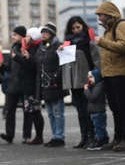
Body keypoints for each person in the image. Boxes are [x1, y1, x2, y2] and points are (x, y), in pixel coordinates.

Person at [95, 1, 125, 152]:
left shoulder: (122, 25)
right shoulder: (108, 29)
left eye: (101, 14)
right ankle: (118, 138)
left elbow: (124, 46)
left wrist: (102, 42)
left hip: (121, 73)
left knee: (124, 107)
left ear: (109, 14)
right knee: (115, 108)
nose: (99, 18)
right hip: (109, 74)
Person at [60, 16, 95, 148]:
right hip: (73, 78)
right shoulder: (67, 41)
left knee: (88, 109)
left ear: (83, 26)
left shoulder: (88, 39)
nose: (75, 30)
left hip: (86, 77)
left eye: (78, 27)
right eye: (73, 28)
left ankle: (92, 136)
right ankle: (84, 137)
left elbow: (93, 57)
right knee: (80, 110)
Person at [38, 22, 68, 147]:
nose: (43, 34)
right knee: (50, 113)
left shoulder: (58, 45)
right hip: (45, 84)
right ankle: (55, 135)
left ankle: (59, 137)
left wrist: (56, 77)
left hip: (56, 83)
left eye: (46, 32)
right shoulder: (42, 47)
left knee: (58, 112)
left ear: (51, 34)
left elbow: (64, 63)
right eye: (42, 32)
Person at [0, 25, 31, 144]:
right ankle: (9, 134)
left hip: (25, 83)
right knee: (9, 110)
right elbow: (9, 66)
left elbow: (29, 64)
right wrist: (1, 65)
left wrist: (19, 57)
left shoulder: (27, 47)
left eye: (15, 34)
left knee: (27, 111)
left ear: (22, 36)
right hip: (13, 83)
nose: (13, 37)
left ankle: (26, 135)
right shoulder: (13, 48)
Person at [22, 27, 44, 145]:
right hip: (28, 84)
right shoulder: (29, 48)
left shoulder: (37, 48)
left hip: (33, 85)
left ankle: (39, 136)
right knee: (31, 111)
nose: (25, 38)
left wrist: (28, 58)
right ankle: (37, 136)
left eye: (27, 35)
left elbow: (35, 66)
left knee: (35, 111)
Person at [84, 69, 109, 150]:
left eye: (91, 77)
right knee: (99, 127)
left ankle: (100, 141)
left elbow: (92, 97)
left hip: (98, 111)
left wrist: (86, 90)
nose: (89, 79)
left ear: (97, 77)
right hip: (95, 111)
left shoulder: (99, 86)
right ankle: (104, 139)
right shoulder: (95, 86)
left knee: (98, 128)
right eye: (88, 77)